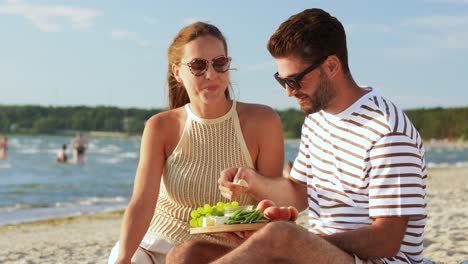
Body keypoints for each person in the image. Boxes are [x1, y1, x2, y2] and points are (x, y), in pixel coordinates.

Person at [166, 8, 427, 264]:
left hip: (377, 260)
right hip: (324, 253)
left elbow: (387, 239)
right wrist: (250, 180)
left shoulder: (386, 131)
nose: (289, 93)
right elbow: (298, 192)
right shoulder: (317, 119)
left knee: (280, 236)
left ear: (332, 66)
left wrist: (295, 243)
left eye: (295, 81)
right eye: (283, 81)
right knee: (185, 254)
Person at [107, 22, 284, 264]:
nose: (211, 74)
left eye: (219, 63)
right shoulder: (160, 126)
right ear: (178, 73)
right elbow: (142, 202)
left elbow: (273, 203)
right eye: (198, 65)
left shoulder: (263, 121)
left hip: (227, 253)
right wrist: (124, 258)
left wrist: (256, 205)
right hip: (158, 246)